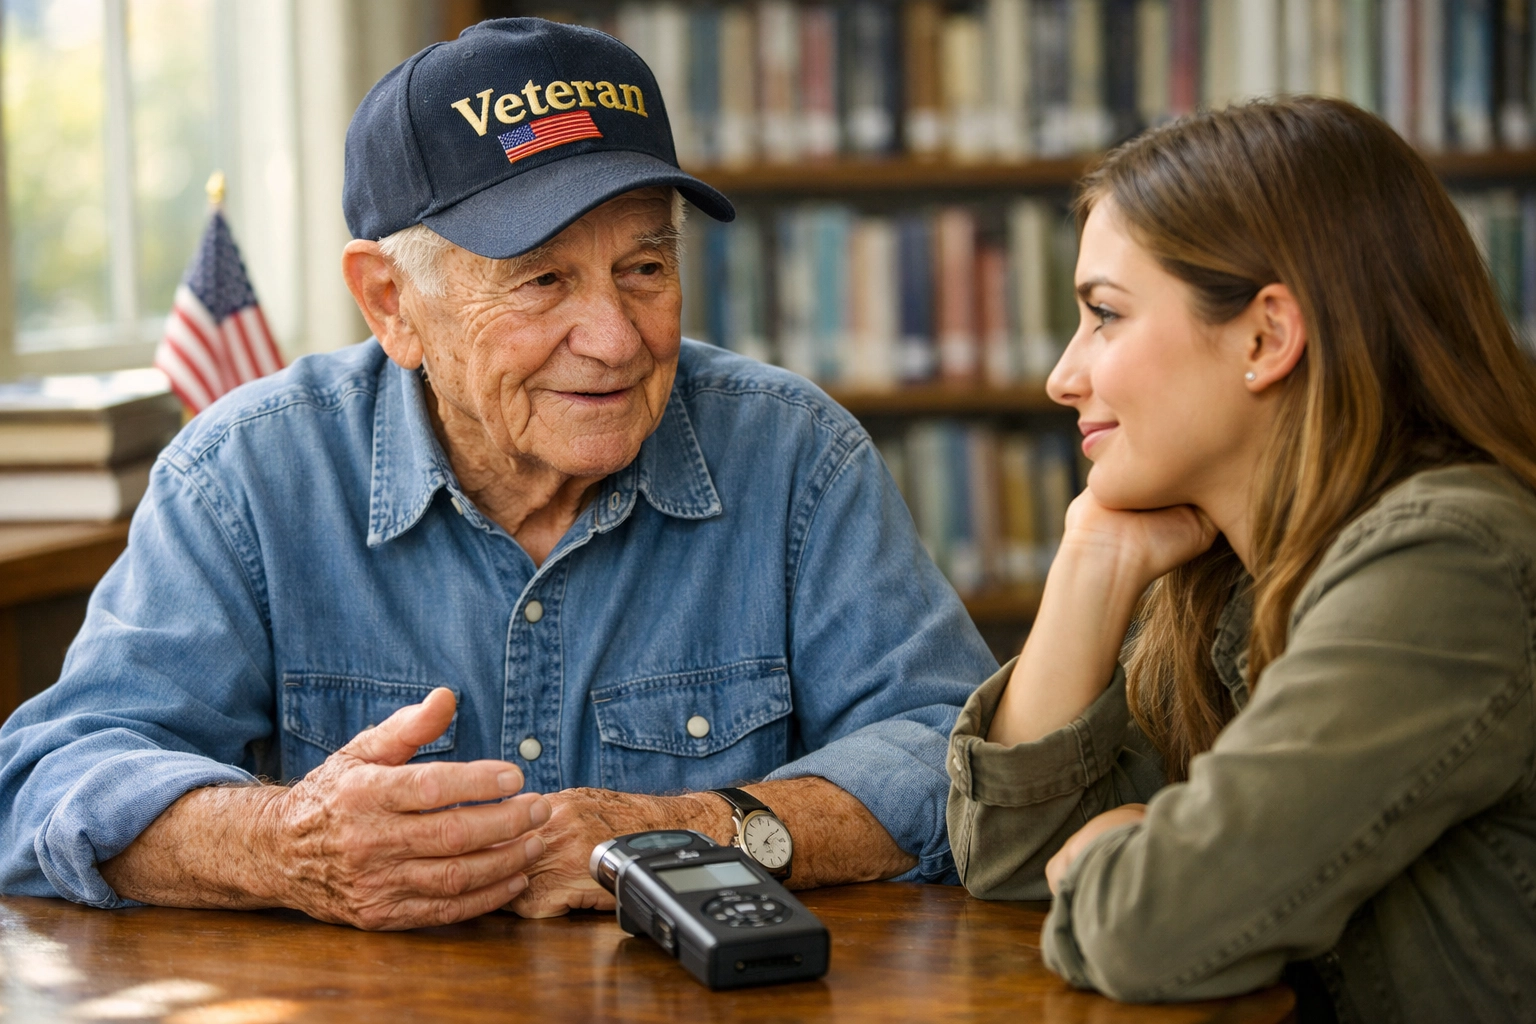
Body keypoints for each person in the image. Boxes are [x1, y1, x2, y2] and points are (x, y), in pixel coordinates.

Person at [0, 18, 997, 930]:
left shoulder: (794, 454)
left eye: (645, 268)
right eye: (543, 280)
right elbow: (52, 780)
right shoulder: (247, 477)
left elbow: (954, 754)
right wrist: (286, 843)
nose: (613, 339)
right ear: (390, 302)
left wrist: (699, 828)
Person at [946, 97, 1536, 1024]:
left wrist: (1123, 859)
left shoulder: (1446, 558)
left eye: (1104, 315)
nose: (1063, 377)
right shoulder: (1230, 576)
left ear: (1266, 337)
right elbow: (1009, 863)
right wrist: (1092, 559)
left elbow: (1157, 926)